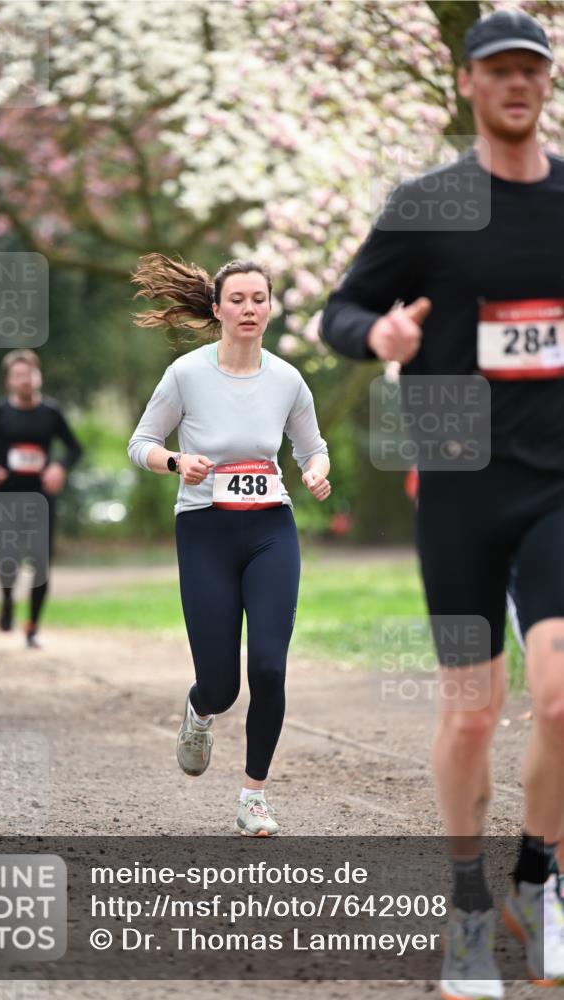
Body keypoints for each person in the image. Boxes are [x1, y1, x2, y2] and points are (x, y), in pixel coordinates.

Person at [321, 10, 563, 997]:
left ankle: (537, 885)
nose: (517, 84)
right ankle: (468, 902)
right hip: (460, 486)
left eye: (532, 71)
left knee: (561, 695)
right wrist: (377, 334)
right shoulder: (428, 205)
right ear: (467, 83)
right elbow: (338, 311)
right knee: (473, 710)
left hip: (558, 481)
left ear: (545, 85)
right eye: (498, 69)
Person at [128, 253, 331, 836]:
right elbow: (140, 442)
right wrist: (175, 460)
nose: (248, 308)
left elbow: (311, 447)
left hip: (271, 529)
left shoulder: (288, 379)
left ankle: (253, 796)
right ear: (216, 308)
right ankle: (199, 711)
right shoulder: (187, 374)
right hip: (205, 529)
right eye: (237, 299)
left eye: (258, 299)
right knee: (222, 683)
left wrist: (316, 469)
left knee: (268, 668)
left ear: (270, 307)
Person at [0, 350, 83, 649]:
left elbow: (74, 447)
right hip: (5, 497)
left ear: (39, 376)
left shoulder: (51, 412)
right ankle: (7, 599)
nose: (26, 380)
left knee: (40, 563)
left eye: (30, 374)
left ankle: (32, 626)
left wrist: (59, 467)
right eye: (19, 375)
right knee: (7, 558)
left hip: (40, 498)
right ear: (9, 381)